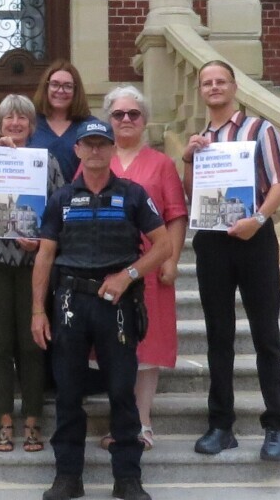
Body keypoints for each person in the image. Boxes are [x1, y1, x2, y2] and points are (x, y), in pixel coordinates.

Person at [32, 120, 173, 500]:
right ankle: (67, 477)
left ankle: (127, 478)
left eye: (102, 145)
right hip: (70, 302)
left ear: (112, 150)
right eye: (89, 145)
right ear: (77, 150)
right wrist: (37, 311)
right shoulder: (61, 198)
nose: (96, 151)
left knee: (121, 390)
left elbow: (162, 246)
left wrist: (128, 275)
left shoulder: (133, 194)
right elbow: (45, 255)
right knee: (67, 392)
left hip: (118, 304)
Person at [181, 59, 280, 463]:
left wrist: (259, 219)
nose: (213, 87)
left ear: (233, 86)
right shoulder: (201, 139)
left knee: (266, 334)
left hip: (254, 236)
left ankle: (276, 425)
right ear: (201, 90)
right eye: (206, 82)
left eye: (220, 81)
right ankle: (221, 424)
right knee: (218, 335)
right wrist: (189, 158)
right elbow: (192, 195)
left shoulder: (260, 130)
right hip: (212, 240)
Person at [0, 94, 67, 454]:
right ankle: (5, 420)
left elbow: (59, 206)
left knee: (32, 343)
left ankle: (33, 421)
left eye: (22, 118)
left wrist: (40, 238)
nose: (15, 124)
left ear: (31, 124)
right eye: (8, 118)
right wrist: (0, 157)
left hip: (33, 262)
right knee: (0, 344)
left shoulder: (46, 160)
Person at [101, 85, 187, 450]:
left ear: (144, 120)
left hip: (150, 266)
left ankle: (142, 421)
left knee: (147, 344)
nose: (125, 120)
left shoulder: (162, 163)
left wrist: (172, 259)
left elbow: (176, 216)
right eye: (118, 114)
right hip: (104, 265)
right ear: (108, 120)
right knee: (109, 344)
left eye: (133, 114)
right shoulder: (96, 158)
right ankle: (118, 420)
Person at [30, 61, 91, 183]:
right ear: (46, 87)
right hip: (36, 199)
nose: (60, 90)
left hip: (78, 199)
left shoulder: (89, 125)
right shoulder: (30, 122)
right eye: (54, 84)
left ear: (76, 90)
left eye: (68, 86)